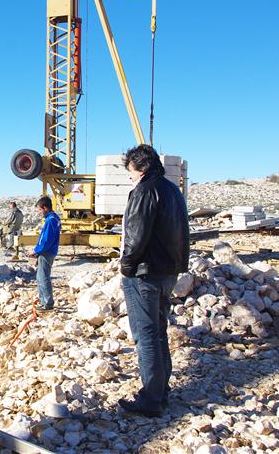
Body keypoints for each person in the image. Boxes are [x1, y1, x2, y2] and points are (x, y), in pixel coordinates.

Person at [117, 144, 189, 417]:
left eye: (131, 171)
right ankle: (161, 390)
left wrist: (126, 267)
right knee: (159, 332)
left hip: (144, 275)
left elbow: (136, 235)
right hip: (167, 273)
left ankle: (150, 399)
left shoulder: (144, 191)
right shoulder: (173, 190)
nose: (130, 177)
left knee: (145, 336)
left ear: (141, 167)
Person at [30, 196, 61, 310]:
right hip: (48, 251)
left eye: (39, 209)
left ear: (45, 208)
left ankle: (48, 303)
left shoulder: (51, 220)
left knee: (43, 277)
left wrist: (37, 251)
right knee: (40, 277)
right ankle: (44, 301)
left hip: (46, 252)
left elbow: (46, 240)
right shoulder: (54, 218)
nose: (39, 212)